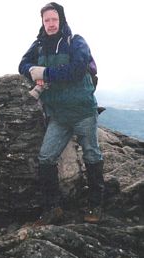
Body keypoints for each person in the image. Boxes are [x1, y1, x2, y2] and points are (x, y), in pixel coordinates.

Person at [18, 2, 105, 223]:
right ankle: (52, 208)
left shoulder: (76, 41)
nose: (50, 24)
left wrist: (45, 73)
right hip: (58, 116)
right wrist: (31, 70)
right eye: (46, 20)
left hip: (83, 112)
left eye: (54, 19)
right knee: (46, 157)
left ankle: (95, 205)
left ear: (61, 20)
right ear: (42, 22)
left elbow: (77, 70)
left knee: (92, 155)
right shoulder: (38, 45)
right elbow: (22, 64)